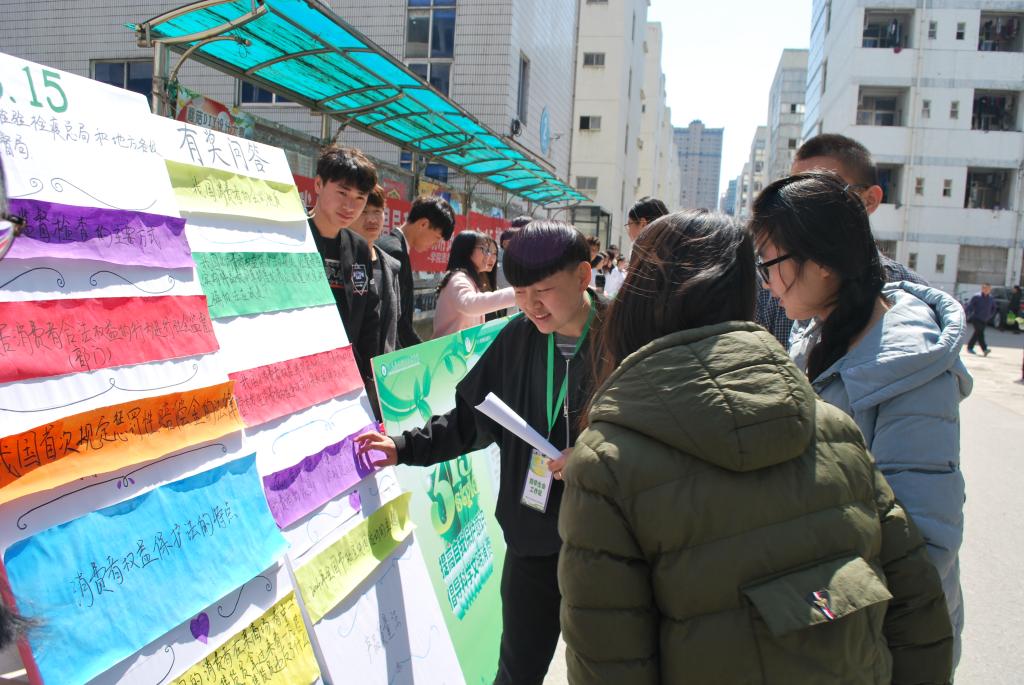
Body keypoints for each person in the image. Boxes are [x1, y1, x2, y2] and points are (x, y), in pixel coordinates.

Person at [559, 209, 953, 684]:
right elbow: (918, 611)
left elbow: (608, 661)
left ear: (637, 300)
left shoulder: (607, 464)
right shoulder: (834, 427)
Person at [356, 221, 603, 685]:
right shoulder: (517, 338)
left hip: (606, 542)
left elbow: (655, 435)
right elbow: (470, 421)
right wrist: (404, 447)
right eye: (521, 292)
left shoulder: (624, 337)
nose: (531, 305)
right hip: (532, 536)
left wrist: (596, 455)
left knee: (606, 669)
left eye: (544, 290)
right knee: (517, 669)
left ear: (583, 276)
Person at [751, 171, 971, 669]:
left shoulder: (908, 369)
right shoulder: (816, 333)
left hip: (887, 642)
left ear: (824, 262)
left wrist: (804, 610)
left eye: (770, 263)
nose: (765, 282)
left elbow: (923, 547)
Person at [756, 134, 927, 347]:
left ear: (870, 200)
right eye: (793, 193)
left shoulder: (914, 296)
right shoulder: (767, 286)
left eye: (821, 193)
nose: (799, 209)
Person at [309, 146, 381, 390]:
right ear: (318, 184)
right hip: (299, 374)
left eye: (360, 198)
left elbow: (370, 317)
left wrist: (368, 379)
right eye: (342, 192)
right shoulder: (293, 238)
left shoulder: (359, 247)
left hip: (345, 377)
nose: (350, 206)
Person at [377, 195, 456, 348]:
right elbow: (397, 319)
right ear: (423, 224)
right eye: (436, 237)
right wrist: (422, 351)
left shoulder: (391, 244)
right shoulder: (396, 253)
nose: (434, 245)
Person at [348, 185, 403, 355]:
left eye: (377, 211)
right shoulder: (338, 259)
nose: (372, 219)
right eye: (364, 212)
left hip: (381, 366)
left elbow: (394, 326)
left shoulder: (390, 267)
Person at [432, 231, 514, 337]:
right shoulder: (458, 278)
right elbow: (469, 304)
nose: (489, 256)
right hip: (449, 346)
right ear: (467, 250)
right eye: (484, 249)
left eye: (492, 252)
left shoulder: (471, 280)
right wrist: (516, 293)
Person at [965, 283, 997, 355]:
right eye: (985, 288)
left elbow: (994, 308)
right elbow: (970, 306)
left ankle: (970, 347)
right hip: (976, 318)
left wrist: (990, 316)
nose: (986, 290)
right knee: (980, 333)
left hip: (985, 319)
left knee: (977, 333)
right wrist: (965, 314)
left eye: (988, 289)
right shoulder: (977, 297)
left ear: (990, 290)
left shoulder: (991, 298)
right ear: (982, 289)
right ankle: (984, 349)